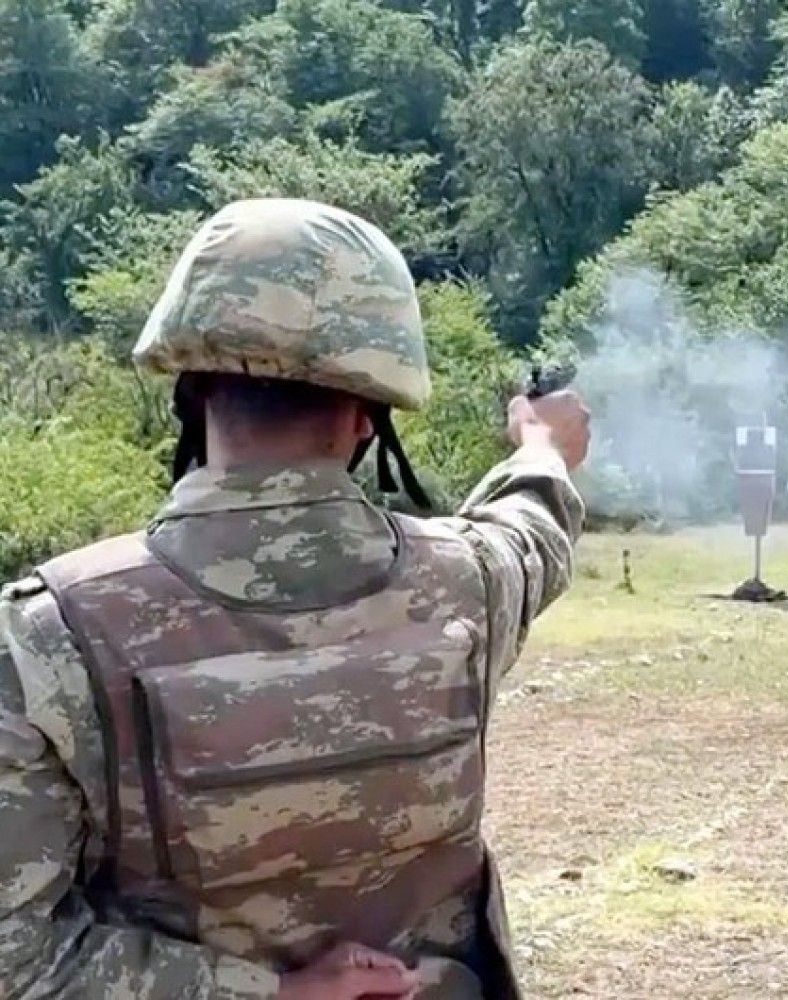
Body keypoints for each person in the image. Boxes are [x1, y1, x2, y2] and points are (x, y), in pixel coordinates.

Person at [0, 198, 589, 999]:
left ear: (192, 392)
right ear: (367, 414)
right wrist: (543, 446)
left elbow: (20, 959)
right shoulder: (468, 581)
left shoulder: (49, 636)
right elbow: (531, 527)